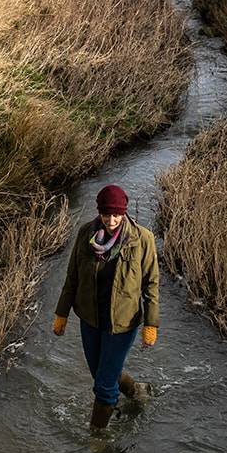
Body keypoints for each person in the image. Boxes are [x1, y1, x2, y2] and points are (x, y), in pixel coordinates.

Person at [52, 183, 160, 431]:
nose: (111, 220)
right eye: (106, 214)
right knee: (101, 373)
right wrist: (62, 314)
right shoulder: (85, 234)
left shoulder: (142, 239)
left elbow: (151, 284)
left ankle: (97, 438)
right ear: (99, 211)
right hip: (90, 319)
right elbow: (72, 277)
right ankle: (137, 391)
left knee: (103, 386)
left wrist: (151, 324)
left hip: (122, 323)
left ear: (124, 212)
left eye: (116, 215)